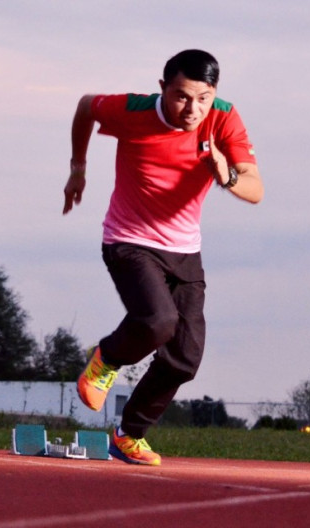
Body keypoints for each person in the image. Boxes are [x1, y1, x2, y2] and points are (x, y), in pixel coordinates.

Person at [63, 49, 263, 466]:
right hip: (128, 240)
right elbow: (86, 106)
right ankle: (107, 359)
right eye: (182, 96)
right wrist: (78, 166)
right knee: (157, 322)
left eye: (204, 98)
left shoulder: (223, 117)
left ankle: (129, 434)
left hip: (185, 252)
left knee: (185, 358)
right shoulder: (132, 110)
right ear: (162, 88)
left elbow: (255, 189)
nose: (193, 109)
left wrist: (223, 171)